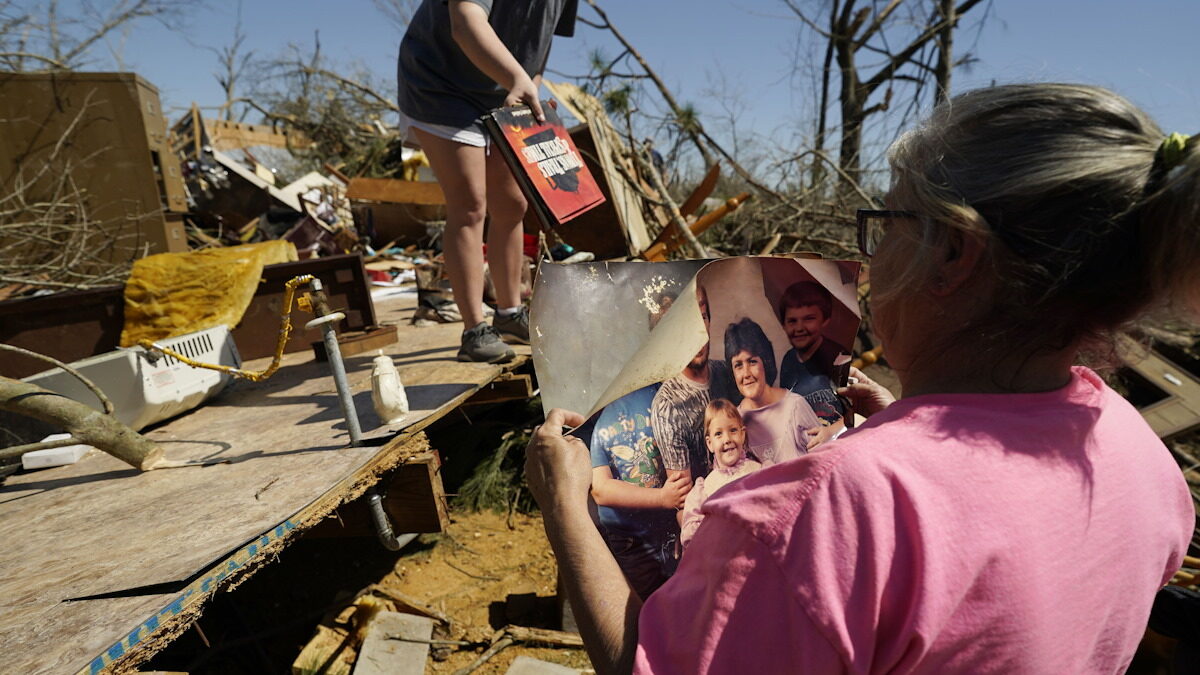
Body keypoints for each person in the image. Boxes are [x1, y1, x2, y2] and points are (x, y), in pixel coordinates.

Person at [524, 83, 1198, 673]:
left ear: (954, 253)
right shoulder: (1141, 456)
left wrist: (567, 509)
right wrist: (906, 437)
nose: (870, 260)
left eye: (887, 224)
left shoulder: (817, 513)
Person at [397, 0, 577, 362]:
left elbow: (539, 42)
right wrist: (517, 78)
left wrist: (529, 86)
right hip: (440, 83)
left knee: (512, 204)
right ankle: (474, 330)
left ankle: (510, 313)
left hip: (501, 90)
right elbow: (465, 22)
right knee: (470, 205)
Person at [649, 285, 737, 486]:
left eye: (703, 317)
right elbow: (684, 497)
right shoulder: (667, 406)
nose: (697, 333)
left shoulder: (728, 372)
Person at [723, 317, 828, 465]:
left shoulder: (795, 406)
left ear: (765, 362)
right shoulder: (734, 422)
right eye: (738, 365)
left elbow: (824, 462)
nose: (746, 374)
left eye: (752, 361)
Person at [679, 399, 761, 549]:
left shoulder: (759, 471)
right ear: (710, 444)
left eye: (733, 430)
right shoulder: (705, 489)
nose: (727, 439)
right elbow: (691, 537)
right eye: (718, 434)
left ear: (743, 434)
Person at [777, 280, 852, 419]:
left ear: (825, 320)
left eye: (809, 319)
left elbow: (853, 411)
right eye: (792, 321)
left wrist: (830, 430)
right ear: (784, 325)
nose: (799, 328)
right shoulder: (788, 360)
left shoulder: (839, 357)